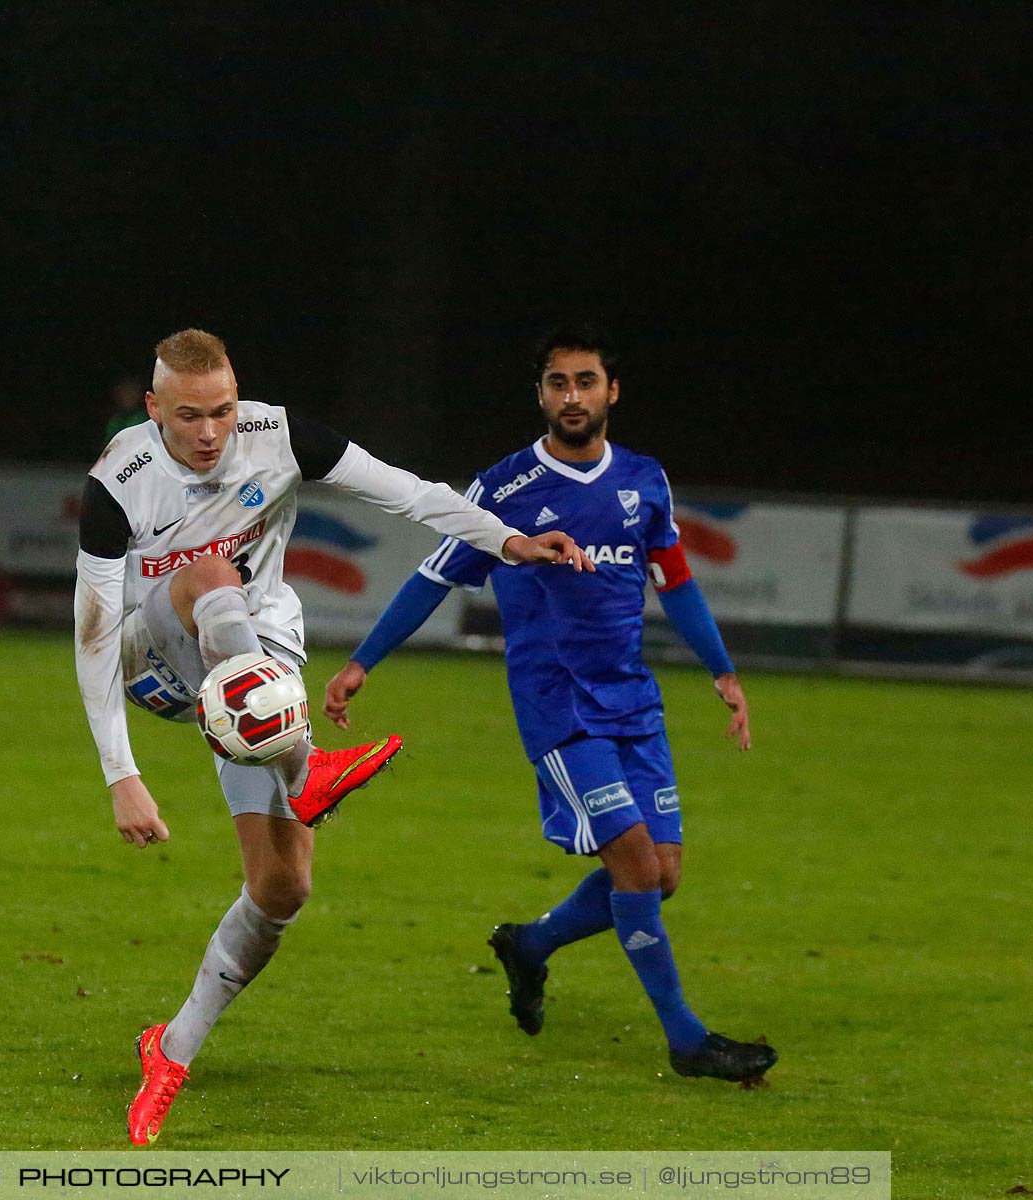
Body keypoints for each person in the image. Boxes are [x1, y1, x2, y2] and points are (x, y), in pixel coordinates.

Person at [74, 329, 588, 1145]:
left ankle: (170, 1049)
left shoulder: (279, 438)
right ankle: (310, 770)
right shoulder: (120, 480)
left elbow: (408, 492)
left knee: (283, 887)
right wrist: (121, 773)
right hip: (156, 655)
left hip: (256, 662)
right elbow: (94, 632)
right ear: (152, 410)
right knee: (212, 578)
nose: (209, 433)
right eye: (187, 417)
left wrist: (507, 540)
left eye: (220, 412)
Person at [323, 321, 778, 1084]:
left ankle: (530, 945)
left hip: (633, 700)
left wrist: (723, 671)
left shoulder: (645, 482)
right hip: (560, 708)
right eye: (558, 383)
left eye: (586, 381)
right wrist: (363, 661)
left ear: (612, 392)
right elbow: (432, 577)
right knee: (634, 868)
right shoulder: (502, 491)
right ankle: (687, 1040)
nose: (573, 396)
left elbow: (677, 580)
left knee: (663, 873)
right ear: (541, 394)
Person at [102, 375, 150, 446]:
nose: (126, 396)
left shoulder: (145, 418)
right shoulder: (116, 420)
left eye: (131, 391)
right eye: (123, 392)